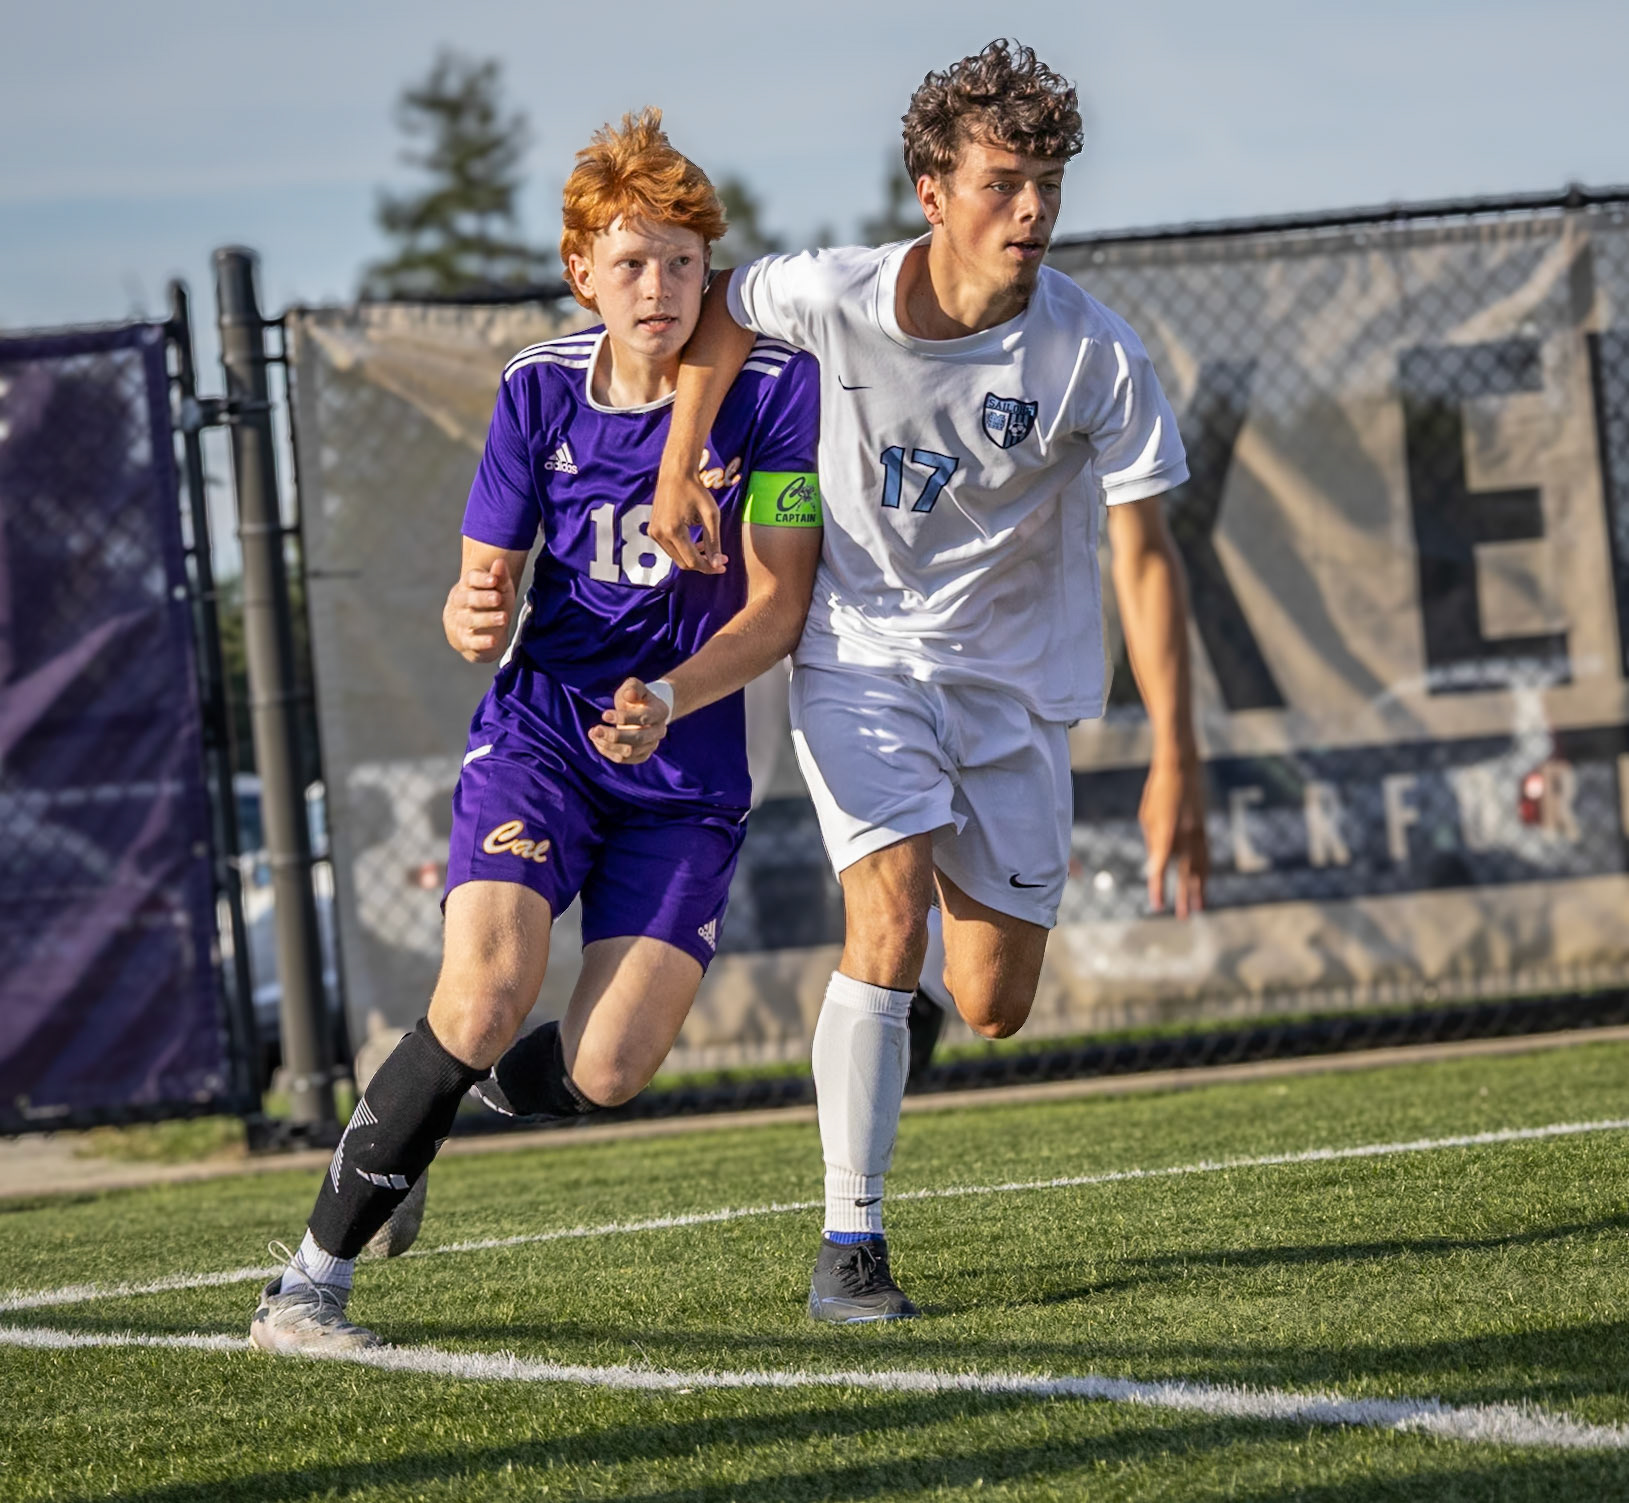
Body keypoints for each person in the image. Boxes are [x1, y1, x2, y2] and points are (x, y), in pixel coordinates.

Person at [650, 39, 1208, 1323]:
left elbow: (1146, 553)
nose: (1033, 210)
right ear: (931, 187)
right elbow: (721, 308)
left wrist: (1176, 754)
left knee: (995, 1001)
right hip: (858, 655)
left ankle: (893, 1030)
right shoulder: (832, 292)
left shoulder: (1094, 355)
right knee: (884, 922)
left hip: (1016, 691)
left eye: (1049, 183)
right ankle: (851, 1246)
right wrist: (684, 457)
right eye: (1005, 180)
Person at [251, 109, 823, 1354]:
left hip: (687, 760)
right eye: (630, 262)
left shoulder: (777, 391)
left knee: (614, 1067)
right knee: (487, 988)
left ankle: (429, 1110)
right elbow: (481, 591)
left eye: (682, 261)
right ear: (581, 272)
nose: (659, 287)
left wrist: (673, 693)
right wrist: (470, 611)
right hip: (545, 737)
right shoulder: (536, 388)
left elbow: (779, 606)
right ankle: (304, 1286)